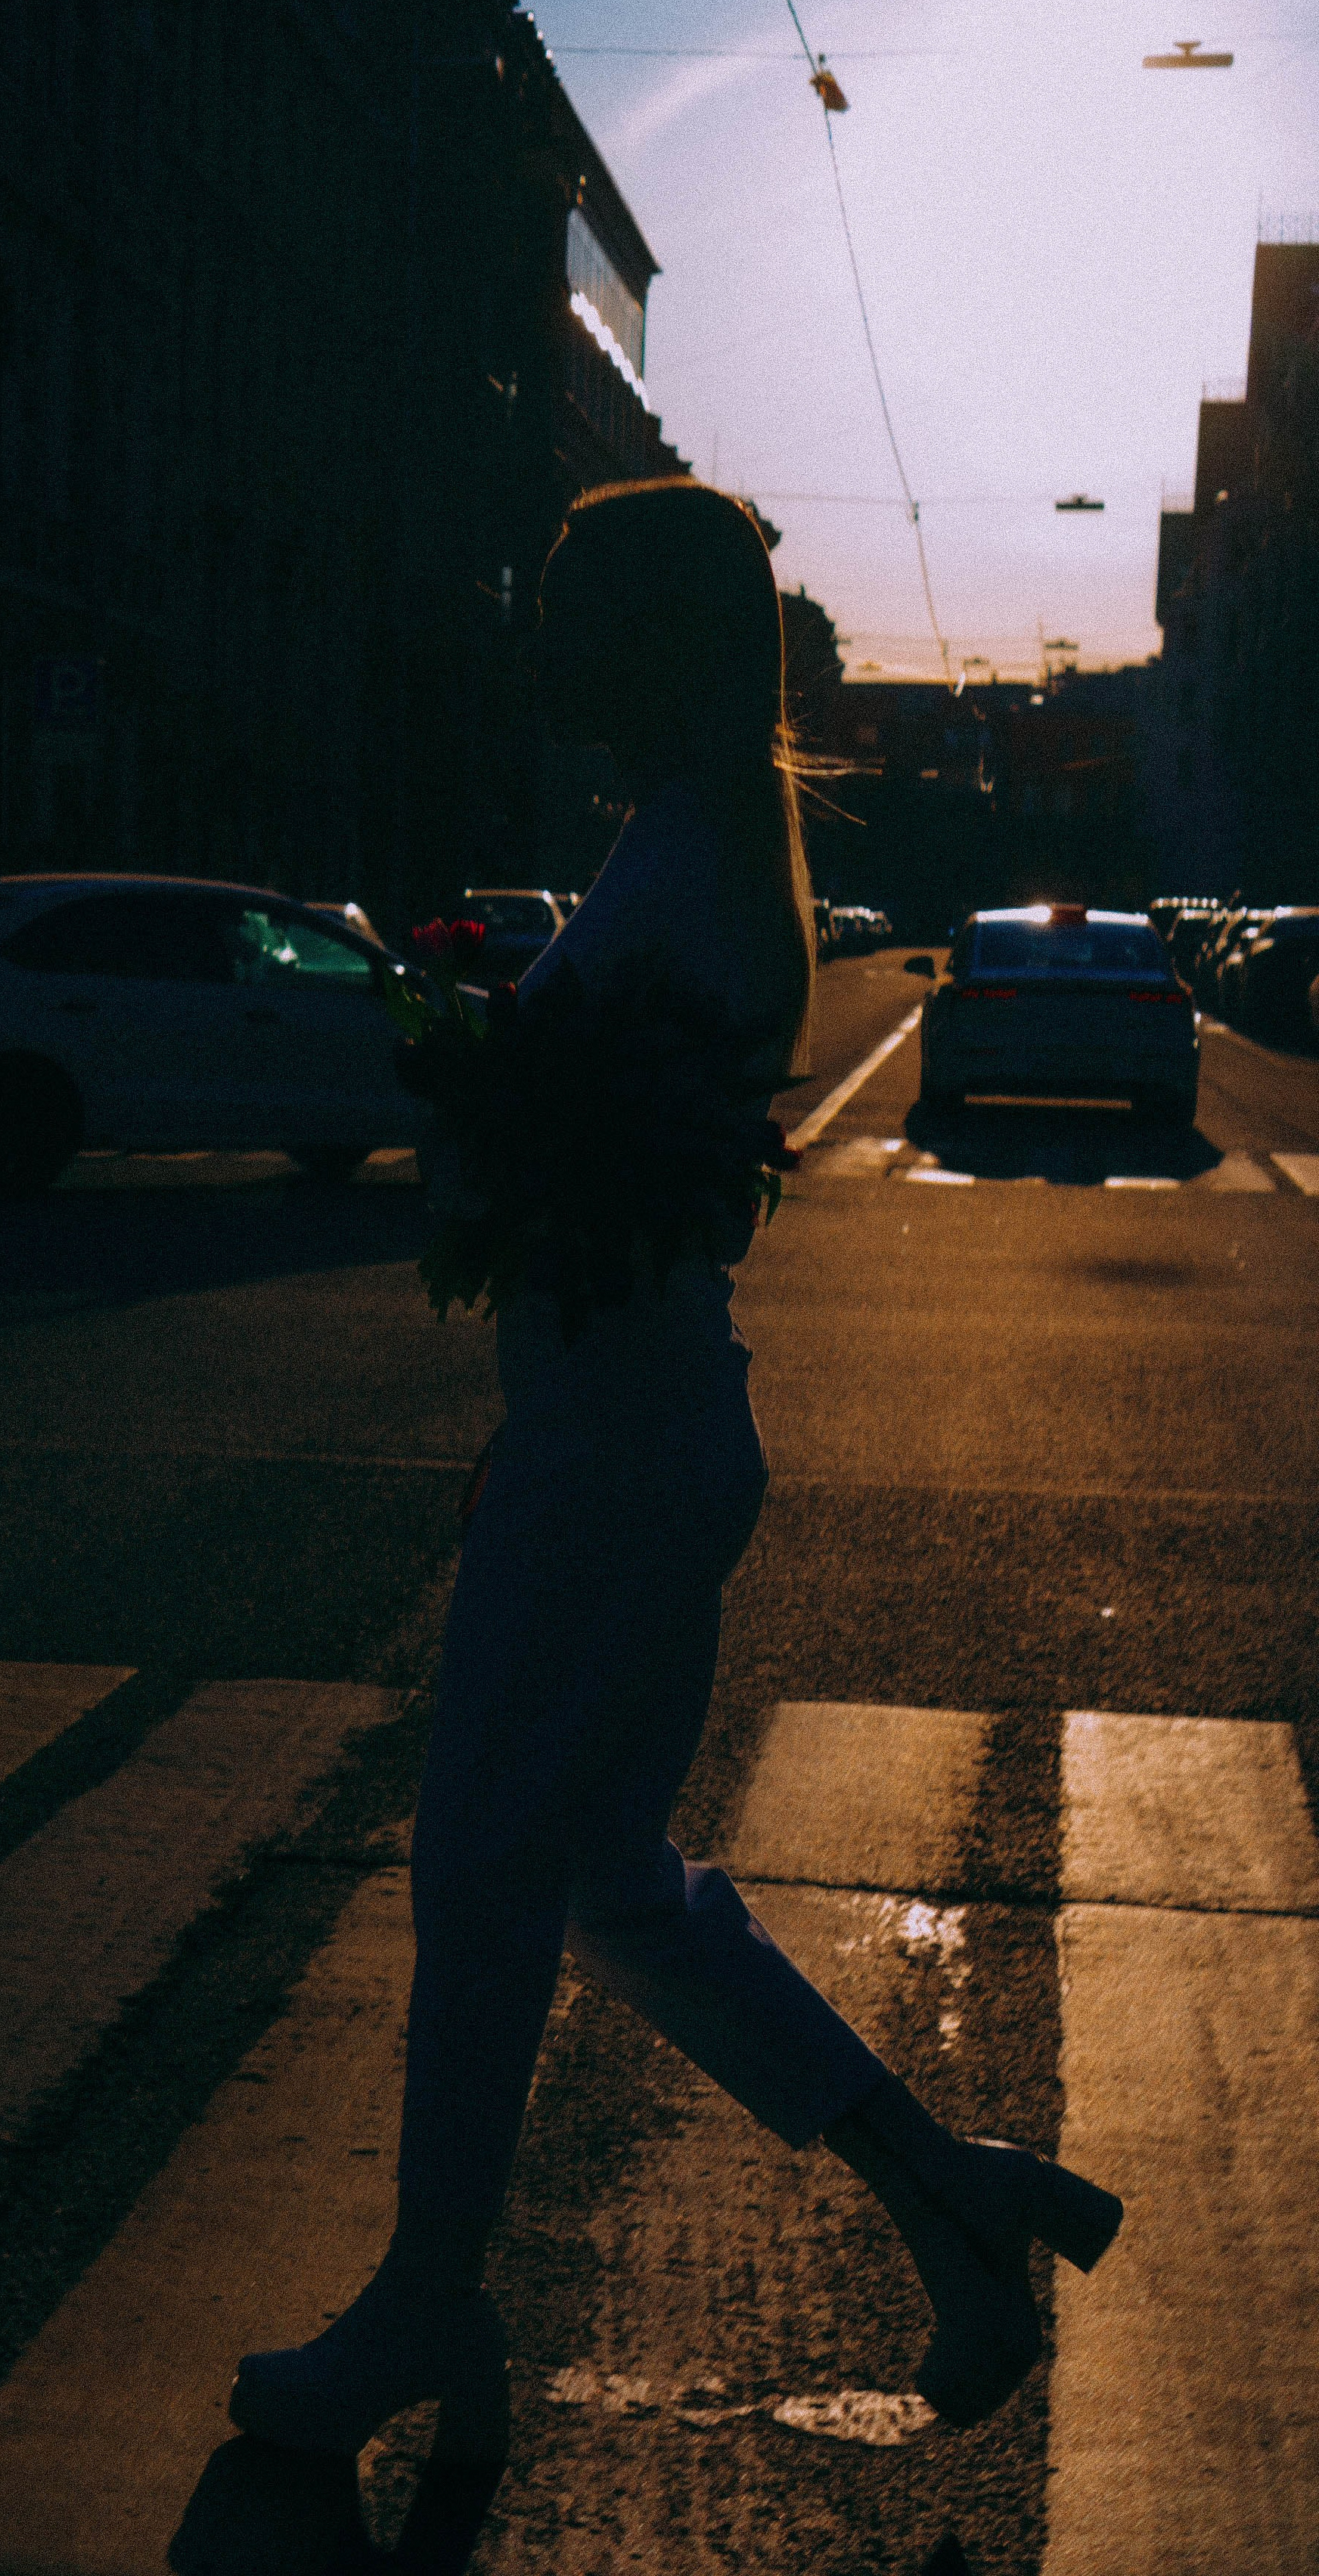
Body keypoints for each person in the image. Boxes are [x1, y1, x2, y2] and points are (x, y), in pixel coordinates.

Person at [231, 480, 1121, 2477]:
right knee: (616, 1889)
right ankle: (955, 2202)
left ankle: (420, 2303)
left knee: (480, 1879)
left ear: (654, 641)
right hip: (630, 1425)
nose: (543, 649)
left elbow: (607, 1166)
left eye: (572, 614)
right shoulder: (699, 836)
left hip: (620, 1440)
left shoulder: (695, 852)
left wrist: (473, 1101)